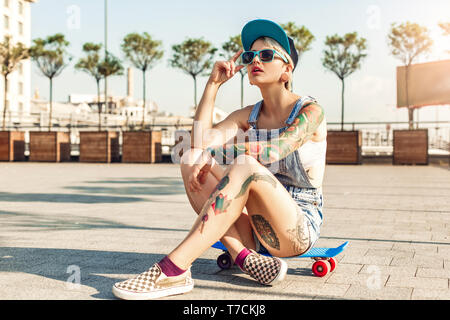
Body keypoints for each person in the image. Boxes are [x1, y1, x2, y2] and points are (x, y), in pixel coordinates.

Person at [112, 18, 327, 300]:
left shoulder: (311, 112)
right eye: (250, 56)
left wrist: (223, 154)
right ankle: (244, 256)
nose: (254, 61)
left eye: (265, 55)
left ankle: (174, 269)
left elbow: (276, 150)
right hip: (256, 231)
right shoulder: (248, 115)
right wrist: (213, 84)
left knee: (245, 164)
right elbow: (199, 142)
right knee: (191, 157)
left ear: (287, 69)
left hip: (296, 228)